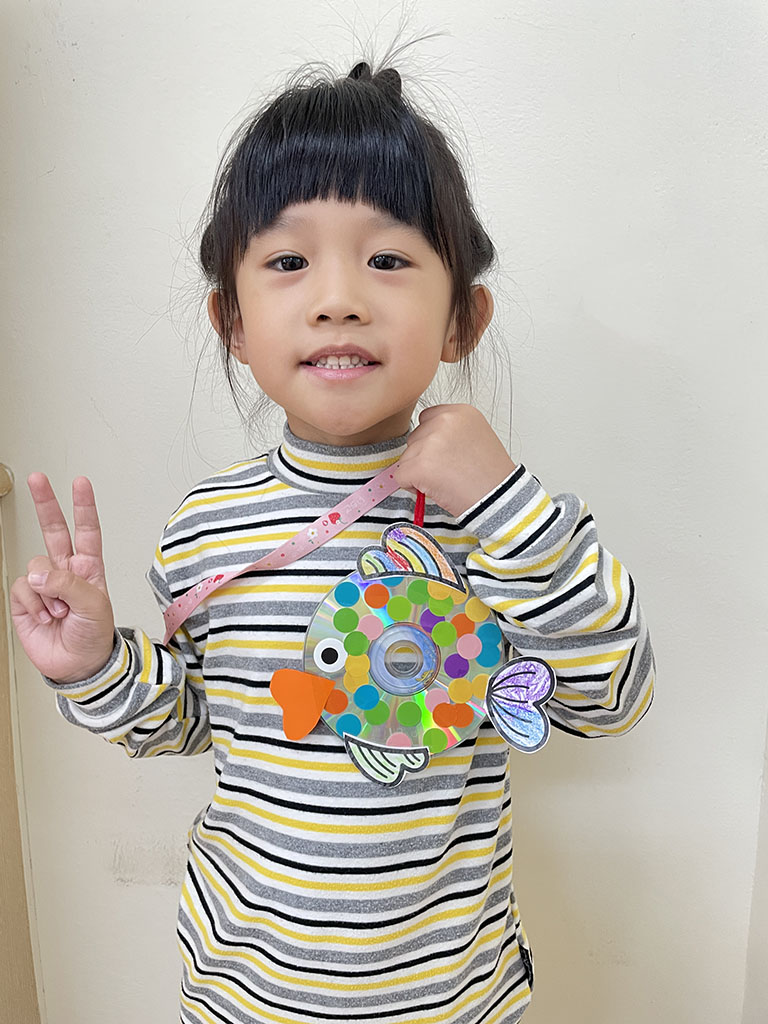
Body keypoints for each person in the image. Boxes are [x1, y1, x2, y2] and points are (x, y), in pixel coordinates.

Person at [10, 57, 655, 1024]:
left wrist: (501, 502)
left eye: (388, 259)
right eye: (288, 262)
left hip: (452, 1000)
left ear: (462, 319)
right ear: (232, 321)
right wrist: (97, 664)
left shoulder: (508, 526)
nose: (339, 297)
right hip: (246, 996)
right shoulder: (204, 530)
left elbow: (612, 700)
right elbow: (197, 720)